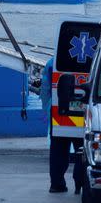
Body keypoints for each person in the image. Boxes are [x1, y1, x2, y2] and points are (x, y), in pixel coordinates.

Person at [41, 58, 86, 194]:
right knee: (82, 150)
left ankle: (56, 184)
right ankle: (80, 184)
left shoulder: (51, 63)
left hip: (59, 111)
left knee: (58, 150)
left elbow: (45, 89)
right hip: (84, 112)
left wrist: (48, 109)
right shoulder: (96, 57)